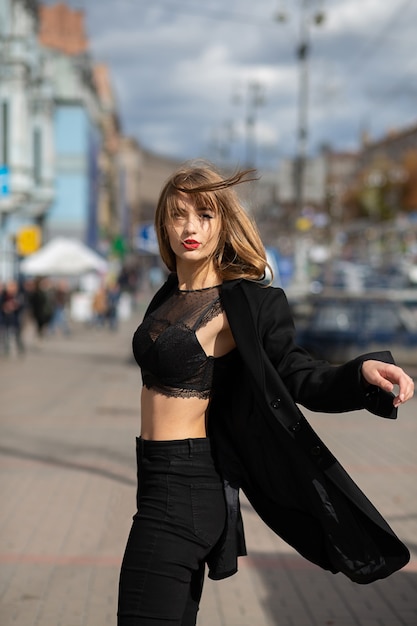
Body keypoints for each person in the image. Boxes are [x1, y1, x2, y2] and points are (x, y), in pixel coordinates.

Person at [117, 162, 414, 626]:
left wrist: (360, 374)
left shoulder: (245, 302)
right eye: (178, 214)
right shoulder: (169, 295)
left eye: (205, 214)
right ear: (163, 224)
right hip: (154, 481)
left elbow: (296, 373)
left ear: (224, 223)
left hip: (186, 486)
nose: (190, 226)